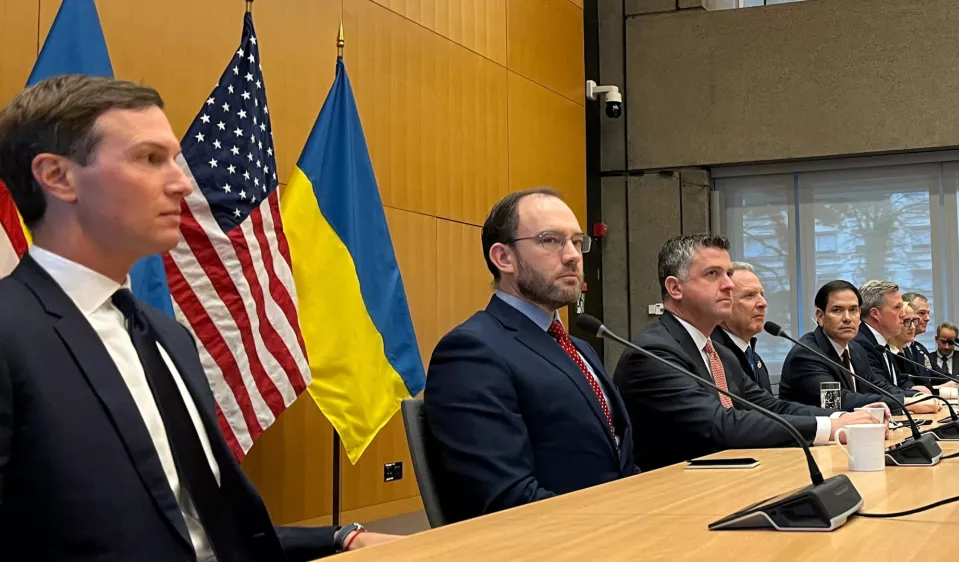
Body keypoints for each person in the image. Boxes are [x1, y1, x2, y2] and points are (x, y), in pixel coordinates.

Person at [0, 76, 396, 561]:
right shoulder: (11, 334)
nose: (182, 183)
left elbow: (199, 531)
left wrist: (341, 538)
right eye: (150, 159)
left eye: (174, 159)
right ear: (58, 177)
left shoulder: (167, 337)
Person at [424, 188, 637, 524]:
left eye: (577, 241)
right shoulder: (471, 351)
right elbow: (506, 498)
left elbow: (618, 459)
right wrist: (612, 526)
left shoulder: (579, 348)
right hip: (558, 539)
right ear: (504, 258)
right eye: (550, 240)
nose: (572, 256)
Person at [613, 234, 878, 471]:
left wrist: (841, 417)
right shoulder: (653, 353)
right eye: (712, 274)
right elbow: (721, 424)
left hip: (729, 481)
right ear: (675, 288)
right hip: (672, 495)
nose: (728, 284)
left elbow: (771, 406)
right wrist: (829, 428)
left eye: (728, 274)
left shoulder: (719, 353)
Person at [780, 281, 936, 414]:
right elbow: (838, 400)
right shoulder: (807, 354)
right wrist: (905, 403)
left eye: (853, 310)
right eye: (837, 310)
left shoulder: (855, 349)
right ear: (820, 317)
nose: (847, 318)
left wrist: (914, 398)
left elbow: (876, 386)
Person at [853, 280, 931, 396]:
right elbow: (879, 387)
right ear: (875, 314)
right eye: (897, 307)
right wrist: (914, 396)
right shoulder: (861, 344)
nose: (903, 314)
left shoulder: (882, 343)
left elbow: (897, 380)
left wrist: (912, 388)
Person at [711, 262, 772, 394]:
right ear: (723, 302)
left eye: (762, 295)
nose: (763, 303)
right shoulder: (713, 356)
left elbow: (768, 404)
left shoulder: (755, 359)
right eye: (749, 295)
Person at [901, 291, 937, 386]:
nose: (928, 318)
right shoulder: (895, 349)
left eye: (928, 313)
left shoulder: (920, 348)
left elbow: (940, 376)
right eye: (921, 313)